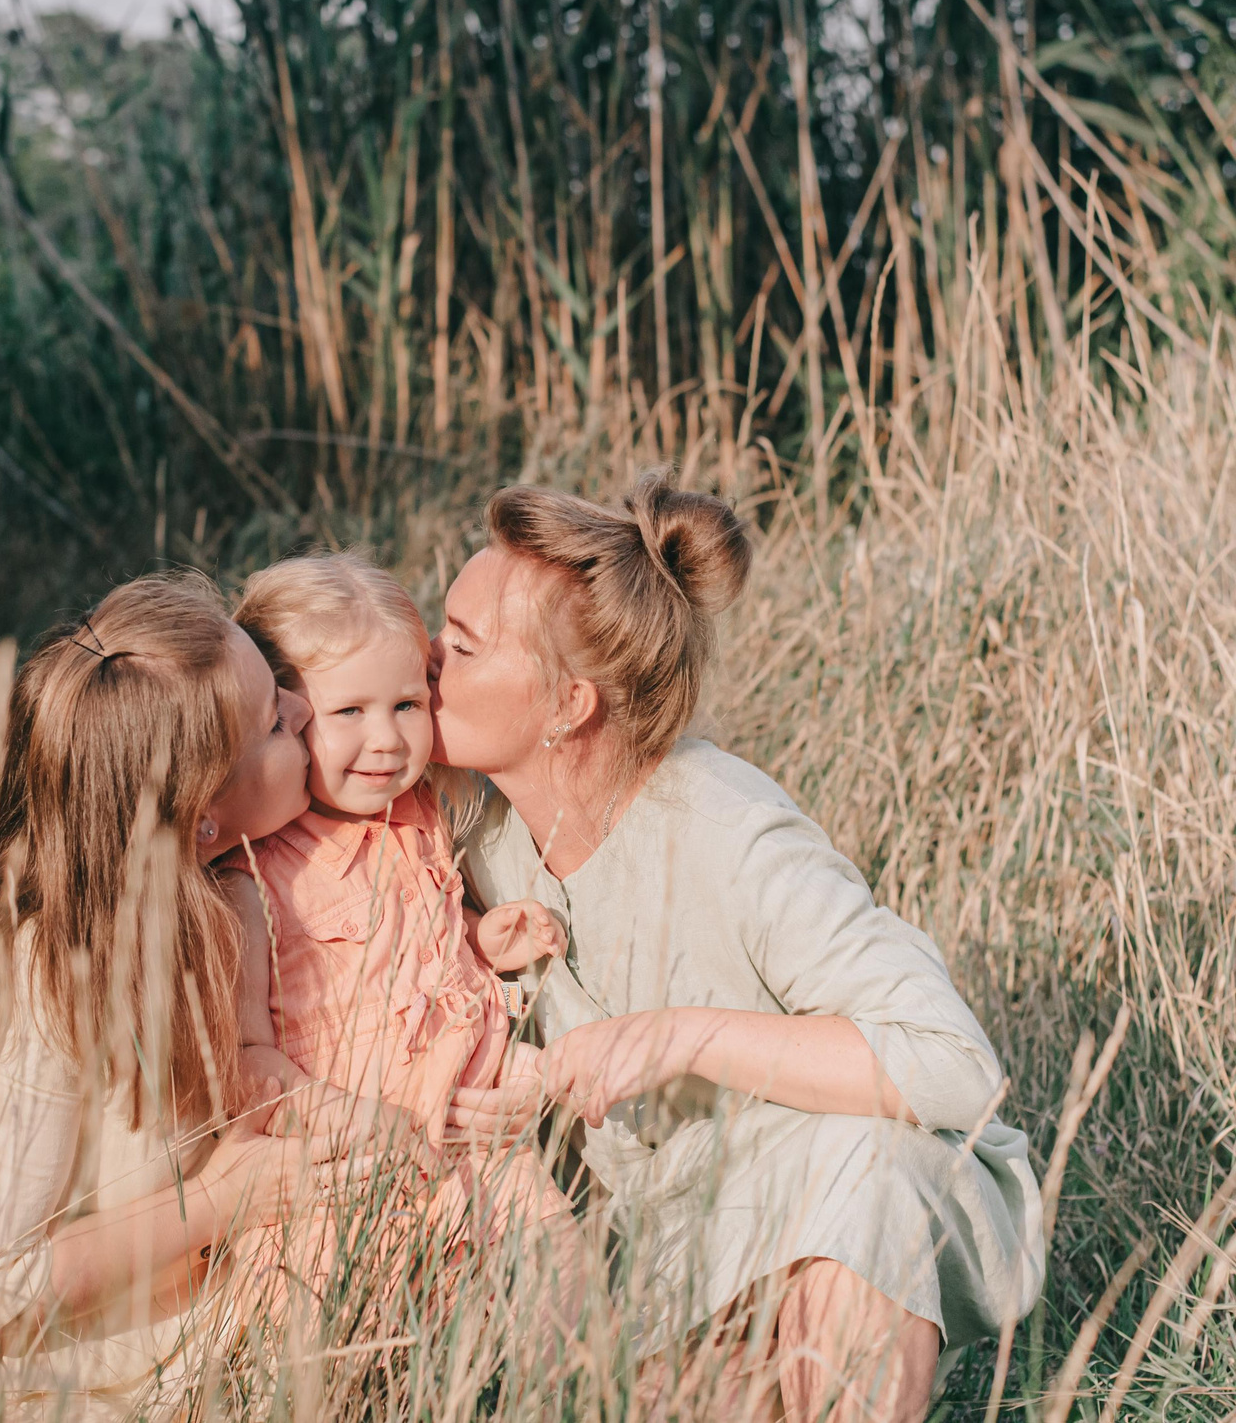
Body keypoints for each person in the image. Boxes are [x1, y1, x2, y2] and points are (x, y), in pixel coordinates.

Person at [434, 472, 1043, 1422]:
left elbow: (959, 1069)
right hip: (666, 1247)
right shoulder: (482, 836)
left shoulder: (731, 830)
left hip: (831, 1207)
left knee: (866, 1177)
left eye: (463, 648)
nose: (431, 664)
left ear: (568, 705)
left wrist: (683, 1035)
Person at [0, 573, 376, 1421]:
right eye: (273, 722)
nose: (301, 705)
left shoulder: (196, 895)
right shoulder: (28, 974)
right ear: (202, 810)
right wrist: (221, 1202)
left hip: (157, 1335)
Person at [215, 554, 576, 1334]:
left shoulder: (421, 815)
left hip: (478, 1152)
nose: (386, 738)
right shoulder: (256, 874)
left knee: (570, 1301)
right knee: (339, 1357)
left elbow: (417, 962)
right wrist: (345, 1117)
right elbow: (246, 1060)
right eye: (349, 712)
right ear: (282, 712)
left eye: (408, 702)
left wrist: (484, 938)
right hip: (346, 1171)